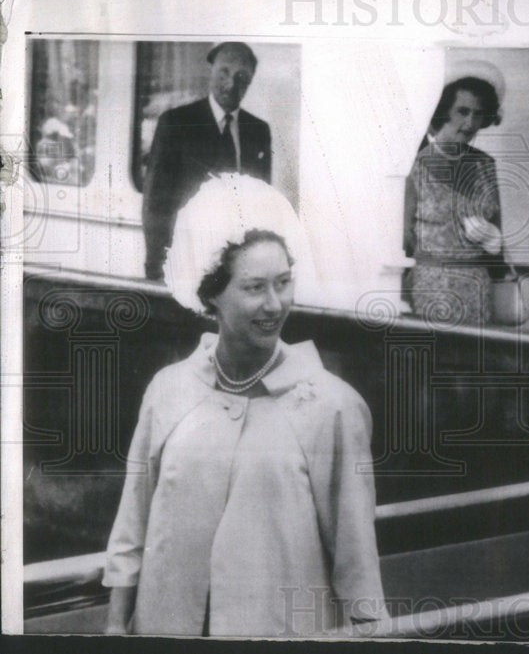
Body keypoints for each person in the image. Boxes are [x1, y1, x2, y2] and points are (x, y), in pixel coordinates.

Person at [104, 175, 385, 636]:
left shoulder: (332, 407)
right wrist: (116, 628)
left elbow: (357, 561)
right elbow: (132, 527)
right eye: (255, 287)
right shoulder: (167, 391)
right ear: (211, 292)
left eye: (284, 282)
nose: (275, 304)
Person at [142, 41, 272, 281]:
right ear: (210, 70)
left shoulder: (258, 131)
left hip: (237, 267)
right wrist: (157, 268)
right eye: (224, 72)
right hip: (186, 263)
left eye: (241, 78)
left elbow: (261, 203)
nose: (231, 84)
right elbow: (155, 203)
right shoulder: (176, 123)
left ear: (250, 83)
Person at [402, 61, 508, 325]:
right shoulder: (414, 164)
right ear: (443, 111)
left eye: (478, 113)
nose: (469, 122)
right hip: (430, 285)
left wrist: (495, 242)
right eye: (462, 111)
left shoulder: (486, 165)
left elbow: (497, 236)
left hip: (477, 286)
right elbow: (403, 239)